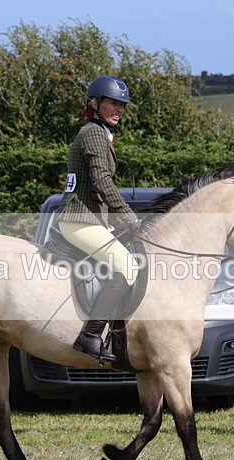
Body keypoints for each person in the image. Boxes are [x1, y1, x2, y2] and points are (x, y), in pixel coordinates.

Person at [58, 75, 140, 363]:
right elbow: (102, 181)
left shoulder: (101, 133)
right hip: (79, 220)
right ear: (95, 103)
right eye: (113, 103)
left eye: (122, 105)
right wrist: (129, 217)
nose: (119, 109)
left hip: (91, 219)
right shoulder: (93, 132)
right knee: (128, 266)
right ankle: (91, 335)